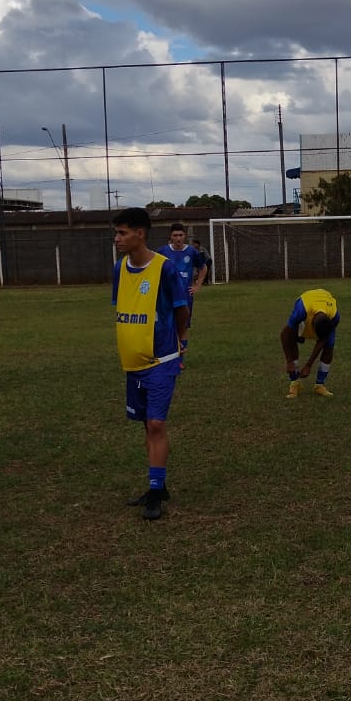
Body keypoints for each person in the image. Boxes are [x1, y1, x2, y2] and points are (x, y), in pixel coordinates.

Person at [111, 208, 190, 520]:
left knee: (156, 423)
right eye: (116, 233)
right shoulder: (119, 270)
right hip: (133, 361)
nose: (117, 239)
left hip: (163, 358)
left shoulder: (164, 269)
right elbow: (123, 309)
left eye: (122, 233)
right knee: (146, 423)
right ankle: (158, 483)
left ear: (139, 234)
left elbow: (181, 309)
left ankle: (156, 493)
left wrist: (181, 343)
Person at [280, 288, 339, 399]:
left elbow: (323, 340)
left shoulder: (334, 316)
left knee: (329, 345)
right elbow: (284, 335)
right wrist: (289, 362)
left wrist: (308, 365)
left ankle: (319, 385)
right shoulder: (301, 311)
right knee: (291, 338)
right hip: (307, 300)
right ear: (311, 324)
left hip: (325, 302)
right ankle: (295, 382)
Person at [162, 223, 210, 323]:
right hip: (167, 294)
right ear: (170, 237)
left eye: (180, 235)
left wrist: (198, 285)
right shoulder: (163, 251)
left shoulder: (192, 251)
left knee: (183, 325)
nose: (178, 238)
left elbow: (203, 267)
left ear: (185, 236)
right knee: (168, 325)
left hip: (185, 294)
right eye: (175, 235)